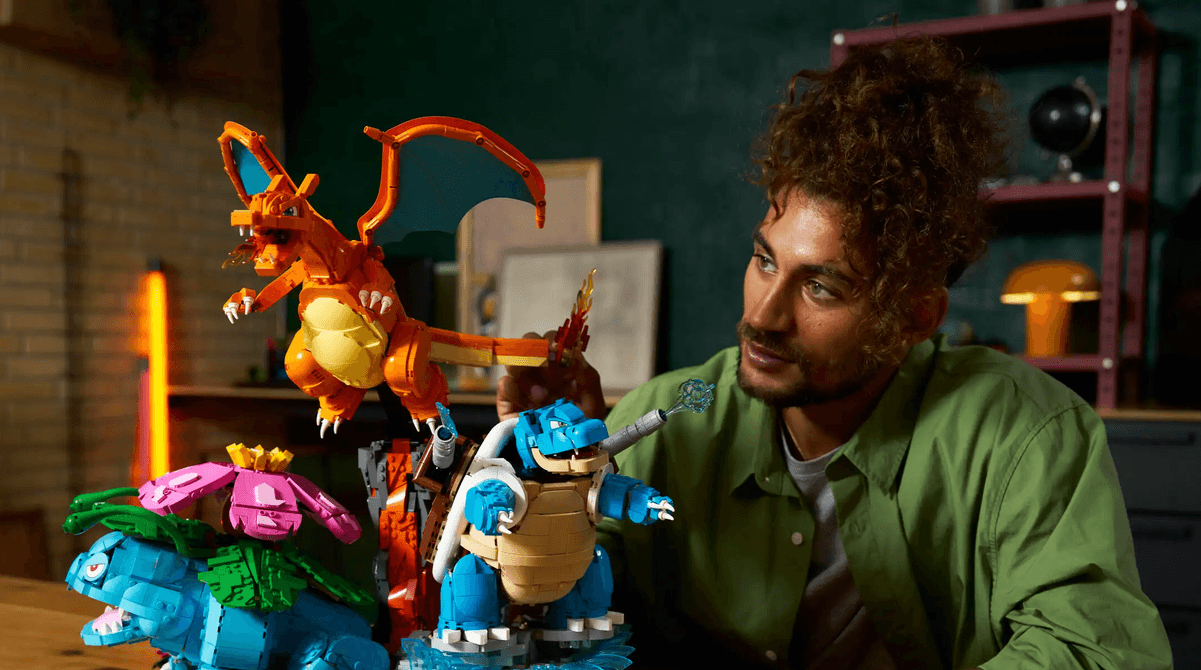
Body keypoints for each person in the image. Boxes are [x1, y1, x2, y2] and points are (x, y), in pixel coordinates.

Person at [496, 36, 1171, 670]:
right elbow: (539, 620)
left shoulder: (1023, 434)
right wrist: (552, 482)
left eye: (821, 287)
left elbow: (1095, 652)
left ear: (914, 317)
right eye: (765, 260)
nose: (762, 318)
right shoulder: (670, 419)